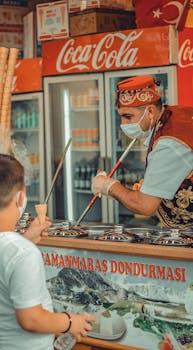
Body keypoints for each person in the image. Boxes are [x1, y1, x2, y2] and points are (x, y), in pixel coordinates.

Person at [0, 154, 95, 350]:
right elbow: (31, 319)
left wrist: (25, 239)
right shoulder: (23, 253)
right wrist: (70, 322)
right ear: (20, 197)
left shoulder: (19, 250)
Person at [92, 75, 193, 230]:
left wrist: (108, 185)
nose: (123, 124)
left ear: (150, 112)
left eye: (128, 117)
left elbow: (145, 205)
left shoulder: (169, 141)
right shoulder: (174, 115)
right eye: (121, 117)